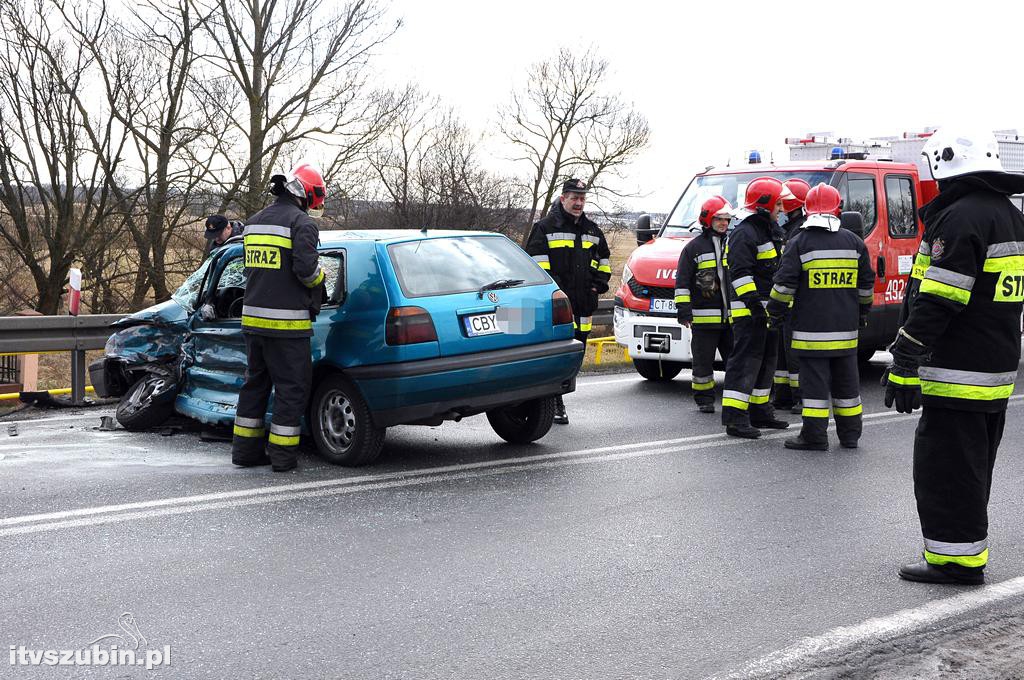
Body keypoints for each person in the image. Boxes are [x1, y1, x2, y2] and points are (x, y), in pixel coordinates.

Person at [883, 127, 1024, 585]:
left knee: (945, 470)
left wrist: (905, 358)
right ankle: (963, 552)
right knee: (972, 469)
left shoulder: (960, 218)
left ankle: (955, 563)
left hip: (957, 369)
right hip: (994, 368)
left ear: (943, 165)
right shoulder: (1009, 214)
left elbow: (941, 297)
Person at [230, 163, 328, 472]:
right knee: (291, 389)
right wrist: (323, 280)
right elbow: (306, 271)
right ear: (307, 194)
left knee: (255, 386)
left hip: (253, 322)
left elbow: (256, 271)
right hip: (287, 326)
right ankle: (283, 458)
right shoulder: (302, 224)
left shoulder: (254, 223)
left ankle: (245, 452)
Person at [767, 183, 874, 450]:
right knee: (847, 388)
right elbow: (866, 288)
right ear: (838, 210)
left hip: (811, 334)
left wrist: (774, 313)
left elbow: (783, 287)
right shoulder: (855, 243)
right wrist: (862, 312)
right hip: (846, 334)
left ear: (807, 210)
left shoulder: (799, 243)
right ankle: (850, 436)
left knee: (814, 389)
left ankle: (814, 437)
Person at [526, 178, 611, 425]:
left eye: (582, 198)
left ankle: (556, 398)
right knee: (556, 357)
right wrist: (556, 294)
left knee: (574, 358)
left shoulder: (593, 231)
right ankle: (555, 403)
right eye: (574, 198)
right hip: (556, 308)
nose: (579, 203)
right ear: (563, 198)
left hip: (583, 307)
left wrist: (597, 286)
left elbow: (605, 262)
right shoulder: (544, 228)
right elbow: (537, 267)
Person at [720, 177, 793, 438]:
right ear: (765, 204)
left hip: (767, 312)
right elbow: (740, 274)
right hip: (750, 313)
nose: (782, 209)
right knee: (745, 364)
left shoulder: (767, 231)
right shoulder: (745, 233)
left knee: (766, 363)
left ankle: (760, 410)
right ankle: (735, 418)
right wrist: (754, 306)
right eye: (779, 204)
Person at [675, 195, 733, 413]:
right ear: (708, 219)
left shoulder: (733, 244)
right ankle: (705, 399)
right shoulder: (693, 248)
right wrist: (684, 312)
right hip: (703, 319)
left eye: (727, 219)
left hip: (732, 319)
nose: (724, 223)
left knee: (735, 362)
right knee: (703, 362)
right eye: (719, 219)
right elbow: (682, 284)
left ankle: (736, 398)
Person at [772, 178, 811, 413]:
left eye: (782, 204)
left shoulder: (799, 232)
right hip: (786, 301)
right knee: (782, 352)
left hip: (794, 303)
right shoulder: (790, 229)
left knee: (793, 351)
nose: (780, 208)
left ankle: (801, 397)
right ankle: (783, 395)